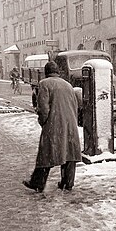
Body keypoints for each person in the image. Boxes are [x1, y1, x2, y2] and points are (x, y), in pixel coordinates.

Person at [23, 61, 81, 193]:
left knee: (46, 153)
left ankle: (37, 182)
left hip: (54, 123)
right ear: (57, 72)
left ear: (46, 72)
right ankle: (67, 183)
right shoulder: (68, 85)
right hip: (70, 122)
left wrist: (43, 122)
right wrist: (72, 121)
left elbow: (43, 108)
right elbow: (75, 105)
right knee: (69, 153)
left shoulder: (44, 84)